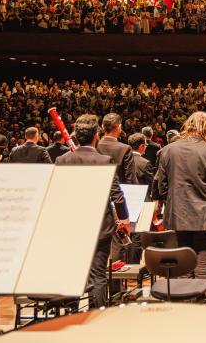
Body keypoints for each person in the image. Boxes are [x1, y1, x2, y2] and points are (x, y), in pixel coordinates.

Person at [55, 114, 130, 308]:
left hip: (70, 226)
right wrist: (124, 219)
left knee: (73, 273)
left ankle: (72, 314)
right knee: (98, 275)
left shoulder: (62, 160)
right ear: (96, 135)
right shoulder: (104, 160)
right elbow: (117, 195)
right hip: (100, 227)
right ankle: (97, 316)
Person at [153, 111, 206, 278]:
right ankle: (201, 303)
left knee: (182, 266)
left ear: (188, 125)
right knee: (202, 265)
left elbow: (162, 188)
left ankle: (184, 303)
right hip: (205, 216)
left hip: (177, 214)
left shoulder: (168, 150)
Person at [97, 113, 137, 184]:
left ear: (102, 127)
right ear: (119, 128)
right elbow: (130, 179)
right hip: (118, 192)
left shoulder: (94, 146)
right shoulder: (125, 149)